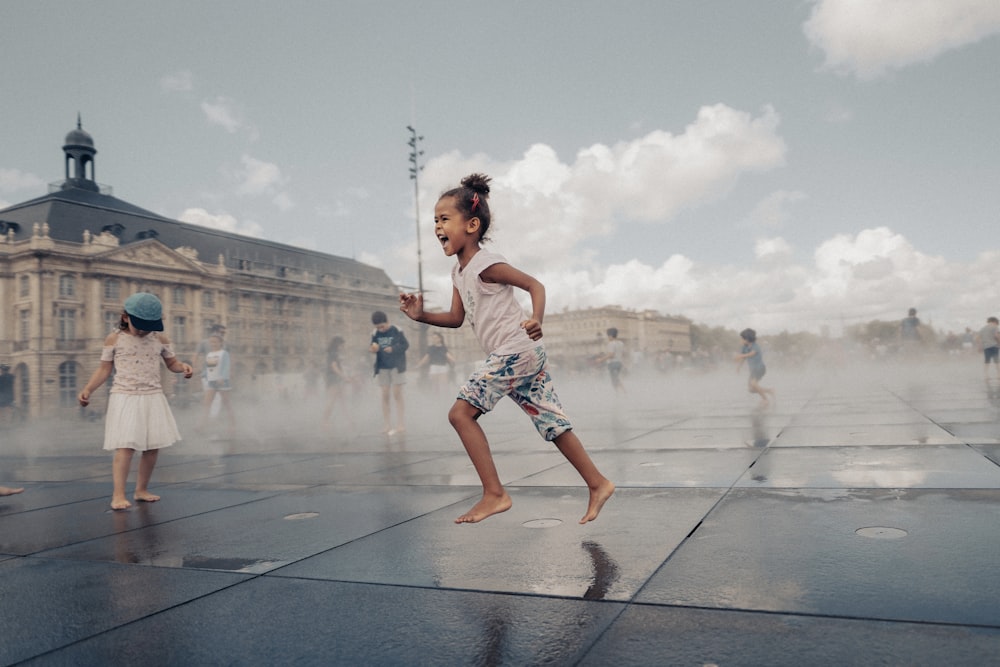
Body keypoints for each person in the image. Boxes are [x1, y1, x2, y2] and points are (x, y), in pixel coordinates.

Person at [399, 173, 614, 524]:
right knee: (553, 423)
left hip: (515, 350)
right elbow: (455, 318)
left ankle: (495, 494)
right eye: (434, 220)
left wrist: (537, 319)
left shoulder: (486, 264)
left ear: (471, 225)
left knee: (460, 414)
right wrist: (419, 315)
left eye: (444, 219)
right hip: (519, 355)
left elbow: (535, 284)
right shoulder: (459, 272)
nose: (437, 226)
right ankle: (598, 482)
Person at [78, 292, 193, 510]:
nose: (143, 331)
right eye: (139, 325)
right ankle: (118, 494)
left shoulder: (160, 339)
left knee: (152, 447)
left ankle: (141, 489)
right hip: (125, 396)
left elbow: (172, 363)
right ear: (125, 318)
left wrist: (183, 367)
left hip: (152, 396)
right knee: (126, 446)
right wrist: (88, 389)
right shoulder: (114, 339)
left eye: (148, 326)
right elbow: (104, 369)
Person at [370, 310, 409, 435]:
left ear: (387, 322)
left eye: (382, 326)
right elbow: (373, 346)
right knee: (385, 394)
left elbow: (405, 345)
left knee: (397, 394)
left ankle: (400, 423)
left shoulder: (397, 330)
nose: (381, 329)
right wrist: (373, 348)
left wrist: (393, 348)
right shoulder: (375, 333)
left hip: (397, 365)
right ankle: (387, 424)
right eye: (378, 327)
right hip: (382, 366)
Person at [198, 333, 235, 433]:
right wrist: (203, 374)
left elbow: (226, 366)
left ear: (220, 342)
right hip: (211, 382)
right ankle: (202, 425)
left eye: (215, 341)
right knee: (206, 403)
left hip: (223, 383)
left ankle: (232, 425)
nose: (213, 344)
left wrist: (222, 377)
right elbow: (210, 368)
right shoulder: (209, 354)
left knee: (227, 404)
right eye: (211, 342)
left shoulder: (224, 353)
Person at [735, 328, 775, 409]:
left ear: (747, 339)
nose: (741, 340)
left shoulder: (755, 346)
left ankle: (765, 399)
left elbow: (752, 354)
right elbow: (743, 358)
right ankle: (769, 391)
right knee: (751, 389)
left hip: (760, 368)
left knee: (753, 384)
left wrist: (740, 356)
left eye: (742, 338)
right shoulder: (744, 347)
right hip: (753, 370)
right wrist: (739, 367)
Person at [322, 335, 352, 428]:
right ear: (338, 344)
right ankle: (325, 421)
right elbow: (334, 367)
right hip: (333, 379)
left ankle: (348, 420)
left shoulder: (333, 353)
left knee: (342, 400)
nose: (343, 347)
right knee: (332, 400)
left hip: (335, 379)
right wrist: (344, 377)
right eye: (342, 345)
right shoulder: (333, 354)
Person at [595, 328, 626, 394]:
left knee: (615, 380)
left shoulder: (611, 344)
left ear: (611, 336)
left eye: (608, 336)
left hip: (613, 363)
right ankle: (619, 393)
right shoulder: (621, 343)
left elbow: (611, 355)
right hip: (619, 363)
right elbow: (622, 354)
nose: (608, 338)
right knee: (615, 379)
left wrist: (601, 359)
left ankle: (623, 393)